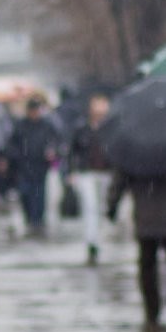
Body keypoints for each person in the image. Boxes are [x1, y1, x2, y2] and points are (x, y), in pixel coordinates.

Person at [108, 167, 166, 326]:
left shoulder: (134, 154)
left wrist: (112, 204)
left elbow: (120, 180)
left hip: (145, 217)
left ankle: (152, 310)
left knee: (147, 265)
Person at [68, 93, 112, 266]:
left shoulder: (111, 128)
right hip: (86, 173)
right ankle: (91, 241)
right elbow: (73, 151)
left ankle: (97, 238)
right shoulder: (82, 129)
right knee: (90, 207)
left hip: (106, 173)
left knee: (101, 208)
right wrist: (71, 173)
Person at [9, 96, 61, 237]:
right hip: (24, 166)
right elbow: (13, 143)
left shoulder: (47, 125)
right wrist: (15, 157)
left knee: (39, 195)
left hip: (40, 166)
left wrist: (52, 151)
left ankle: (37, 220)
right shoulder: (20, 125)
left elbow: (56, 141)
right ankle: (29, 217)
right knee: (25, 193)